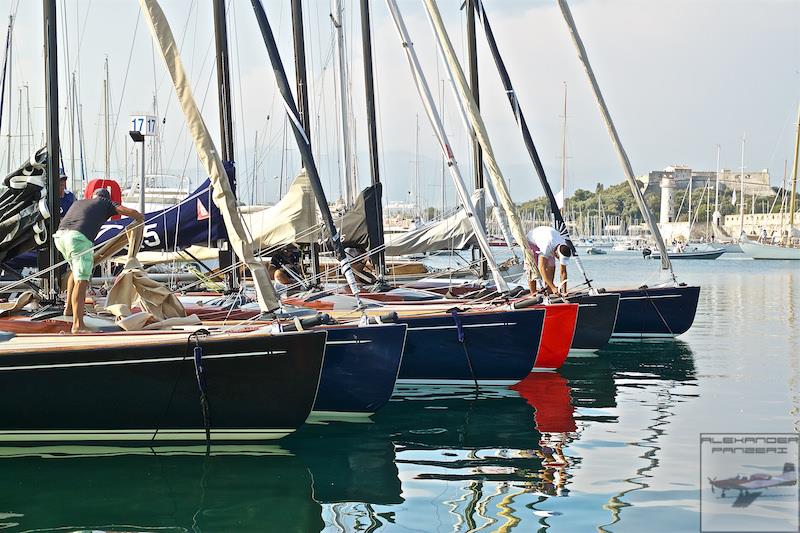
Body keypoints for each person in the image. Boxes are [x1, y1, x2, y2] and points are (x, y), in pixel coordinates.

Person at [54, 188, 143, 333]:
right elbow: (128, 212)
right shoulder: (105, 202)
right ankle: (78, 325)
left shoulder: (80, 201)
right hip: (78, 238)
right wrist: (139, 217)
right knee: (82, 281)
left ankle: (69, 309)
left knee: (74, 272)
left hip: (60, 237)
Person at [525, 226, 572, 296]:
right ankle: (533, 294)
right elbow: (541, 269)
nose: (559, 260)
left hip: (549, 238)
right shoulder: (547, 247)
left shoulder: (564, 246)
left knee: (551, 266)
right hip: (531, 240)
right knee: (532, 267)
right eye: (558, 258)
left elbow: (563, 272)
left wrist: (564, 291)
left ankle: (548, 290)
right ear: (556, 253)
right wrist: (553, 287)